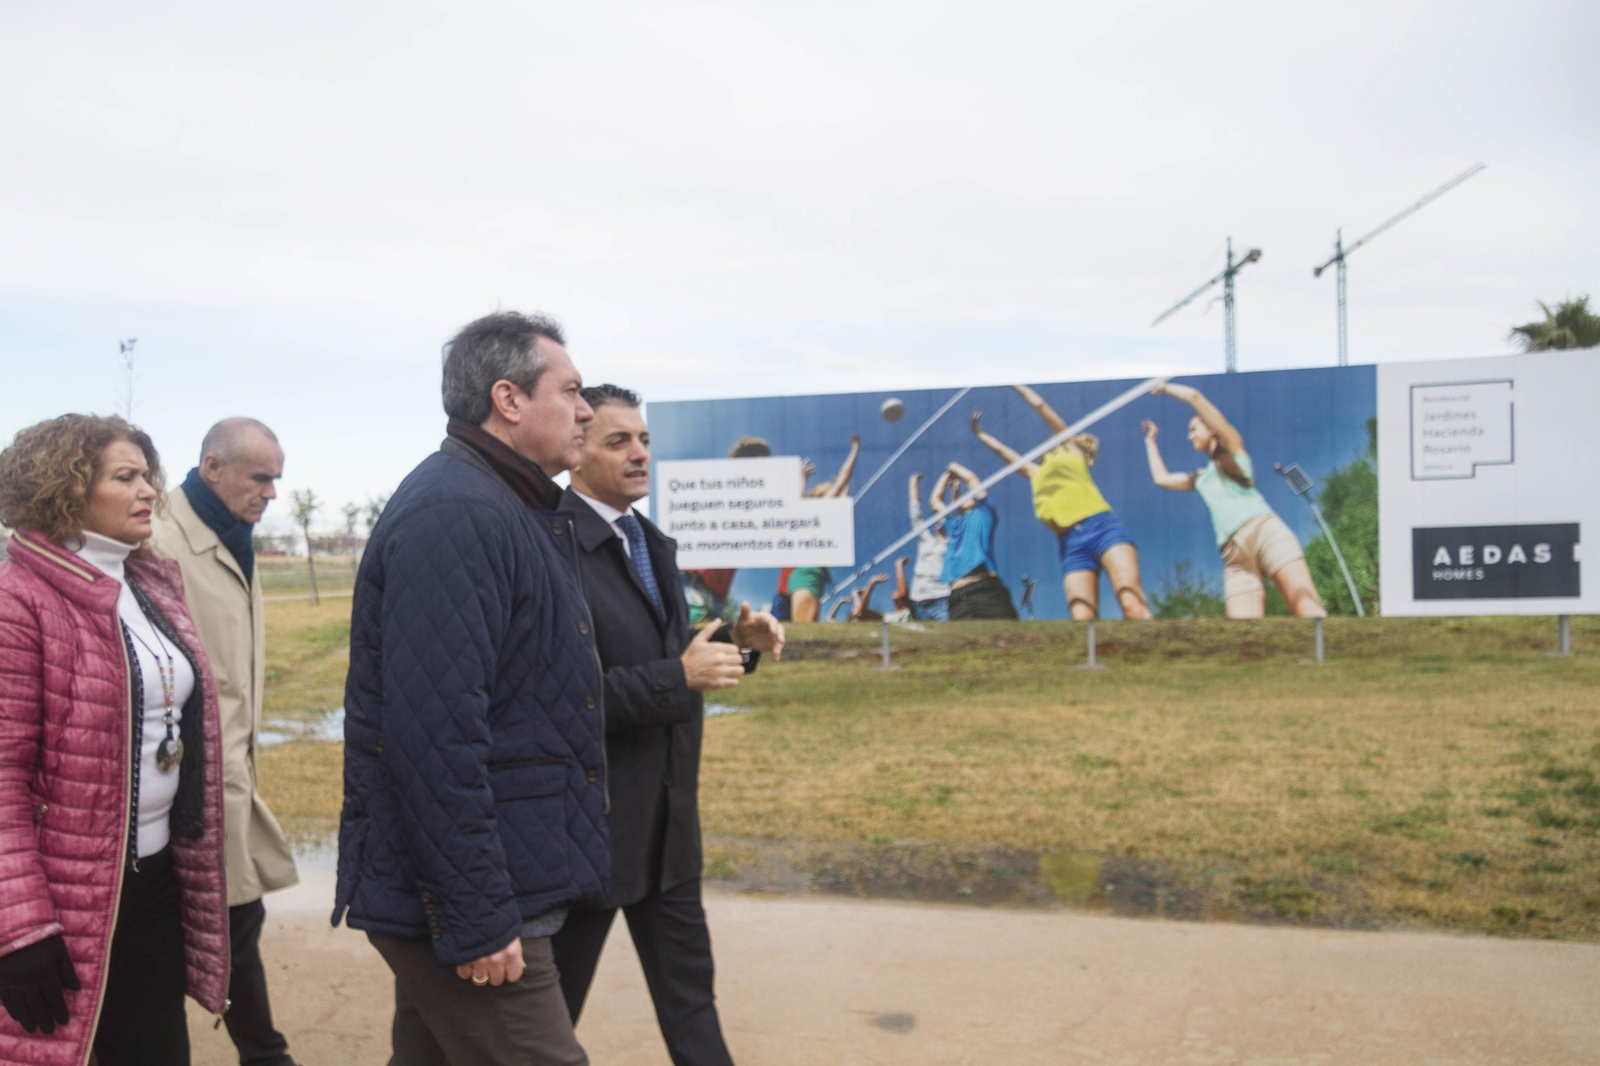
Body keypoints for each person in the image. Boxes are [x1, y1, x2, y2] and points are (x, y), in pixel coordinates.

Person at [334, 312, 608, 1066]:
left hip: (484, 881)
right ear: (509, 400)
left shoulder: (503, 504)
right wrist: (480, 916)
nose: (587, 411)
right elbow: (434, 740)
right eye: (573, 392)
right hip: (473, 899)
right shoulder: (458, 512)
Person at [554, 385, 784, 1066]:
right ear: (576, 452)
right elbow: (562, 701)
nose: (640, 454)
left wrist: (739, 642)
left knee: (692, 1007)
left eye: (645, 440)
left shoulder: (649, 541)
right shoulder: (551, 548)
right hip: (589, 844)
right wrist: (676, 676)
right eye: (618, 441)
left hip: (668, 835)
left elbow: (673, 659)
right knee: (544, 1027)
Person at [0, 414, 230, 1066]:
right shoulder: (17, 599)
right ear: (66, 489)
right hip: (59, 903)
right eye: (125, 478)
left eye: (147, 476)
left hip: (154, 884)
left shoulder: (150, 583)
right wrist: (18, 929)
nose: (148, 491)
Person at [150, 417, 302, 1066]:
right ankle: (266, 1054)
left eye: (277, 480)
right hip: (175, 787)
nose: (272, 492)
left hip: (231, 773)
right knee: (215, 927)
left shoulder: (233, 534)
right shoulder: (156, 539)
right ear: (213, 467)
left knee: (239, 920)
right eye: (260, 477)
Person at [1141, 382, 1326, 618]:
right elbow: (1161, 478)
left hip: (1266, 533)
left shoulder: (1234, 447)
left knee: (1307, 608)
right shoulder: (1199, 478)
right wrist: (1150, 441)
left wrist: (1165, 387)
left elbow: (1196, 397)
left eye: (1193, 429)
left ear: (1211, 429)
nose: (1189, 436)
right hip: (1234, 558)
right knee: (1243, 637)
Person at [971, 385, 1151, 620]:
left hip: (1101, 527)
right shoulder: (1035, 472)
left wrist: (1016, 383)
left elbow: (1042, 407)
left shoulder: (1072, 451)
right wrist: (980, 434)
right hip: (1070, 543)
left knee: (1131, 602)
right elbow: (1007, 455)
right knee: (1081, 618)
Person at [684, 437, 772, 625]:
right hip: (696, 581)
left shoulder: (755, 503)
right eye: (758, 463)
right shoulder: (722, 491)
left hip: (716, 590)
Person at [783, 434, 860, 623]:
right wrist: (855, 449)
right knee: (804, 632)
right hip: (807, 573)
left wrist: (802, 479)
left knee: (808, 630)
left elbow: (842, 490)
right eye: (832, 491)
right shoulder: (818, 510)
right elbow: (844, 476)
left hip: (814, 576)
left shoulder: (818, 518)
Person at [931, 461, 1018, 619]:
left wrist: (953, 468)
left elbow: (971, 479)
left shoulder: (984, 513)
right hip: (957, 596)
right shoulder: (954, 525)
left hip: (986, 590)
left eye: (969, 496)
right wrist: (946, 477)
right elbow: (935, 501)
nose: (966, 497)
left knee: (1010, 639)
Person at [906, 473, 950, 620]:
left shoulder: (952, 543)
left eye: (943, 520)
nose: (939, 521)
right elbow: (915, 515)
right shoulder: (926, 540)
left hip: (942, 599)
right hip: (918, 601)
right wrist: (913, 482)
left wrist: (956, 488)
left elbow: (952, 512)